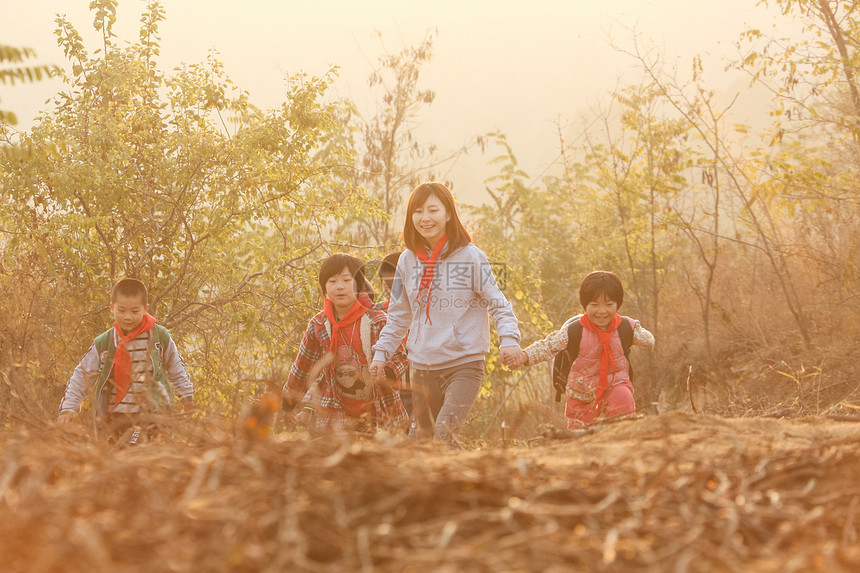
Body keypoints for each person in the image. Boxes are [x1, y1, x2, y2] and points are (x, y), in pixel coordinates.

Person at [369, 181, 522, 445]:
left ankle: (483, 484)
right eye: (417, 211)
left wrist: (509, 339)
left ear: (449, 213)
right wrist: (381, 353)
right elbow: (398, 315)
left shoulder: (471, 257)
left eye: (433, 210)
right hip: (423, 366)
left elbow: (498, 302)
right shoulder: (406, 260)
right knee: (423, 442)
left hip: (463, 363)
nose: (425, 218)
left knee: (443, 434)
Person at [508, 270, 654, 428]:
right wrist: (524, 356)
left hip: (615, 383)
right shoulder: (574, 331)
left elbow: (649, 340)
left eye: (609, 304)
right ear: (585, 305)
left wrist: (642, 336)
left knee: (623, 397)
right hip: (582, 391)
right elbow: (548, 346)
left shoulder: (625, 327)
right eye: (594, 305)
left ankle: (626, 437)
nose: (602, 311)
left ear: (618, 304)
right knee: (579, 431)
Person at [282, 253, 410, 433]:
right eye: (332, 282)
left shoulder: (378, 321)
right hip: (333, 416)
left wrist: (387, 372)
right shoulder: (319, 325)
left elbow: (400, 357)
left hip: (381, 412)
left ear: (359, 284)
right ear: (324, 287)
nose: (339, 287)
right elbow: (303, 366)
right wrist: (288, 403)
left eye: (347, 280)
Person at [57, 278, 194, 441]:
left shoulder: (159, 337)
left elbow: (176, 369)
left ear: (145, 309)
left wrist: (187, 399)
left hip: (151, 414)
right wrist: (69, 408)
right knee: (118, 457)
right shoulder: (105, 343)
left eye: (135, 311)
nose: (128, 317)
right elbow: (82, 375)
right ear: (112, 308)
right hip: (115, 417)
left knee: (135, 449)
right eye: (121, 311)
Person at [374, 251, 415, 418]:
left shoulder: (426, 310)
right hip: (391, 388)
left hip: (423, 385)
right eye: (388, 285)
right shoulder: (377, 311)